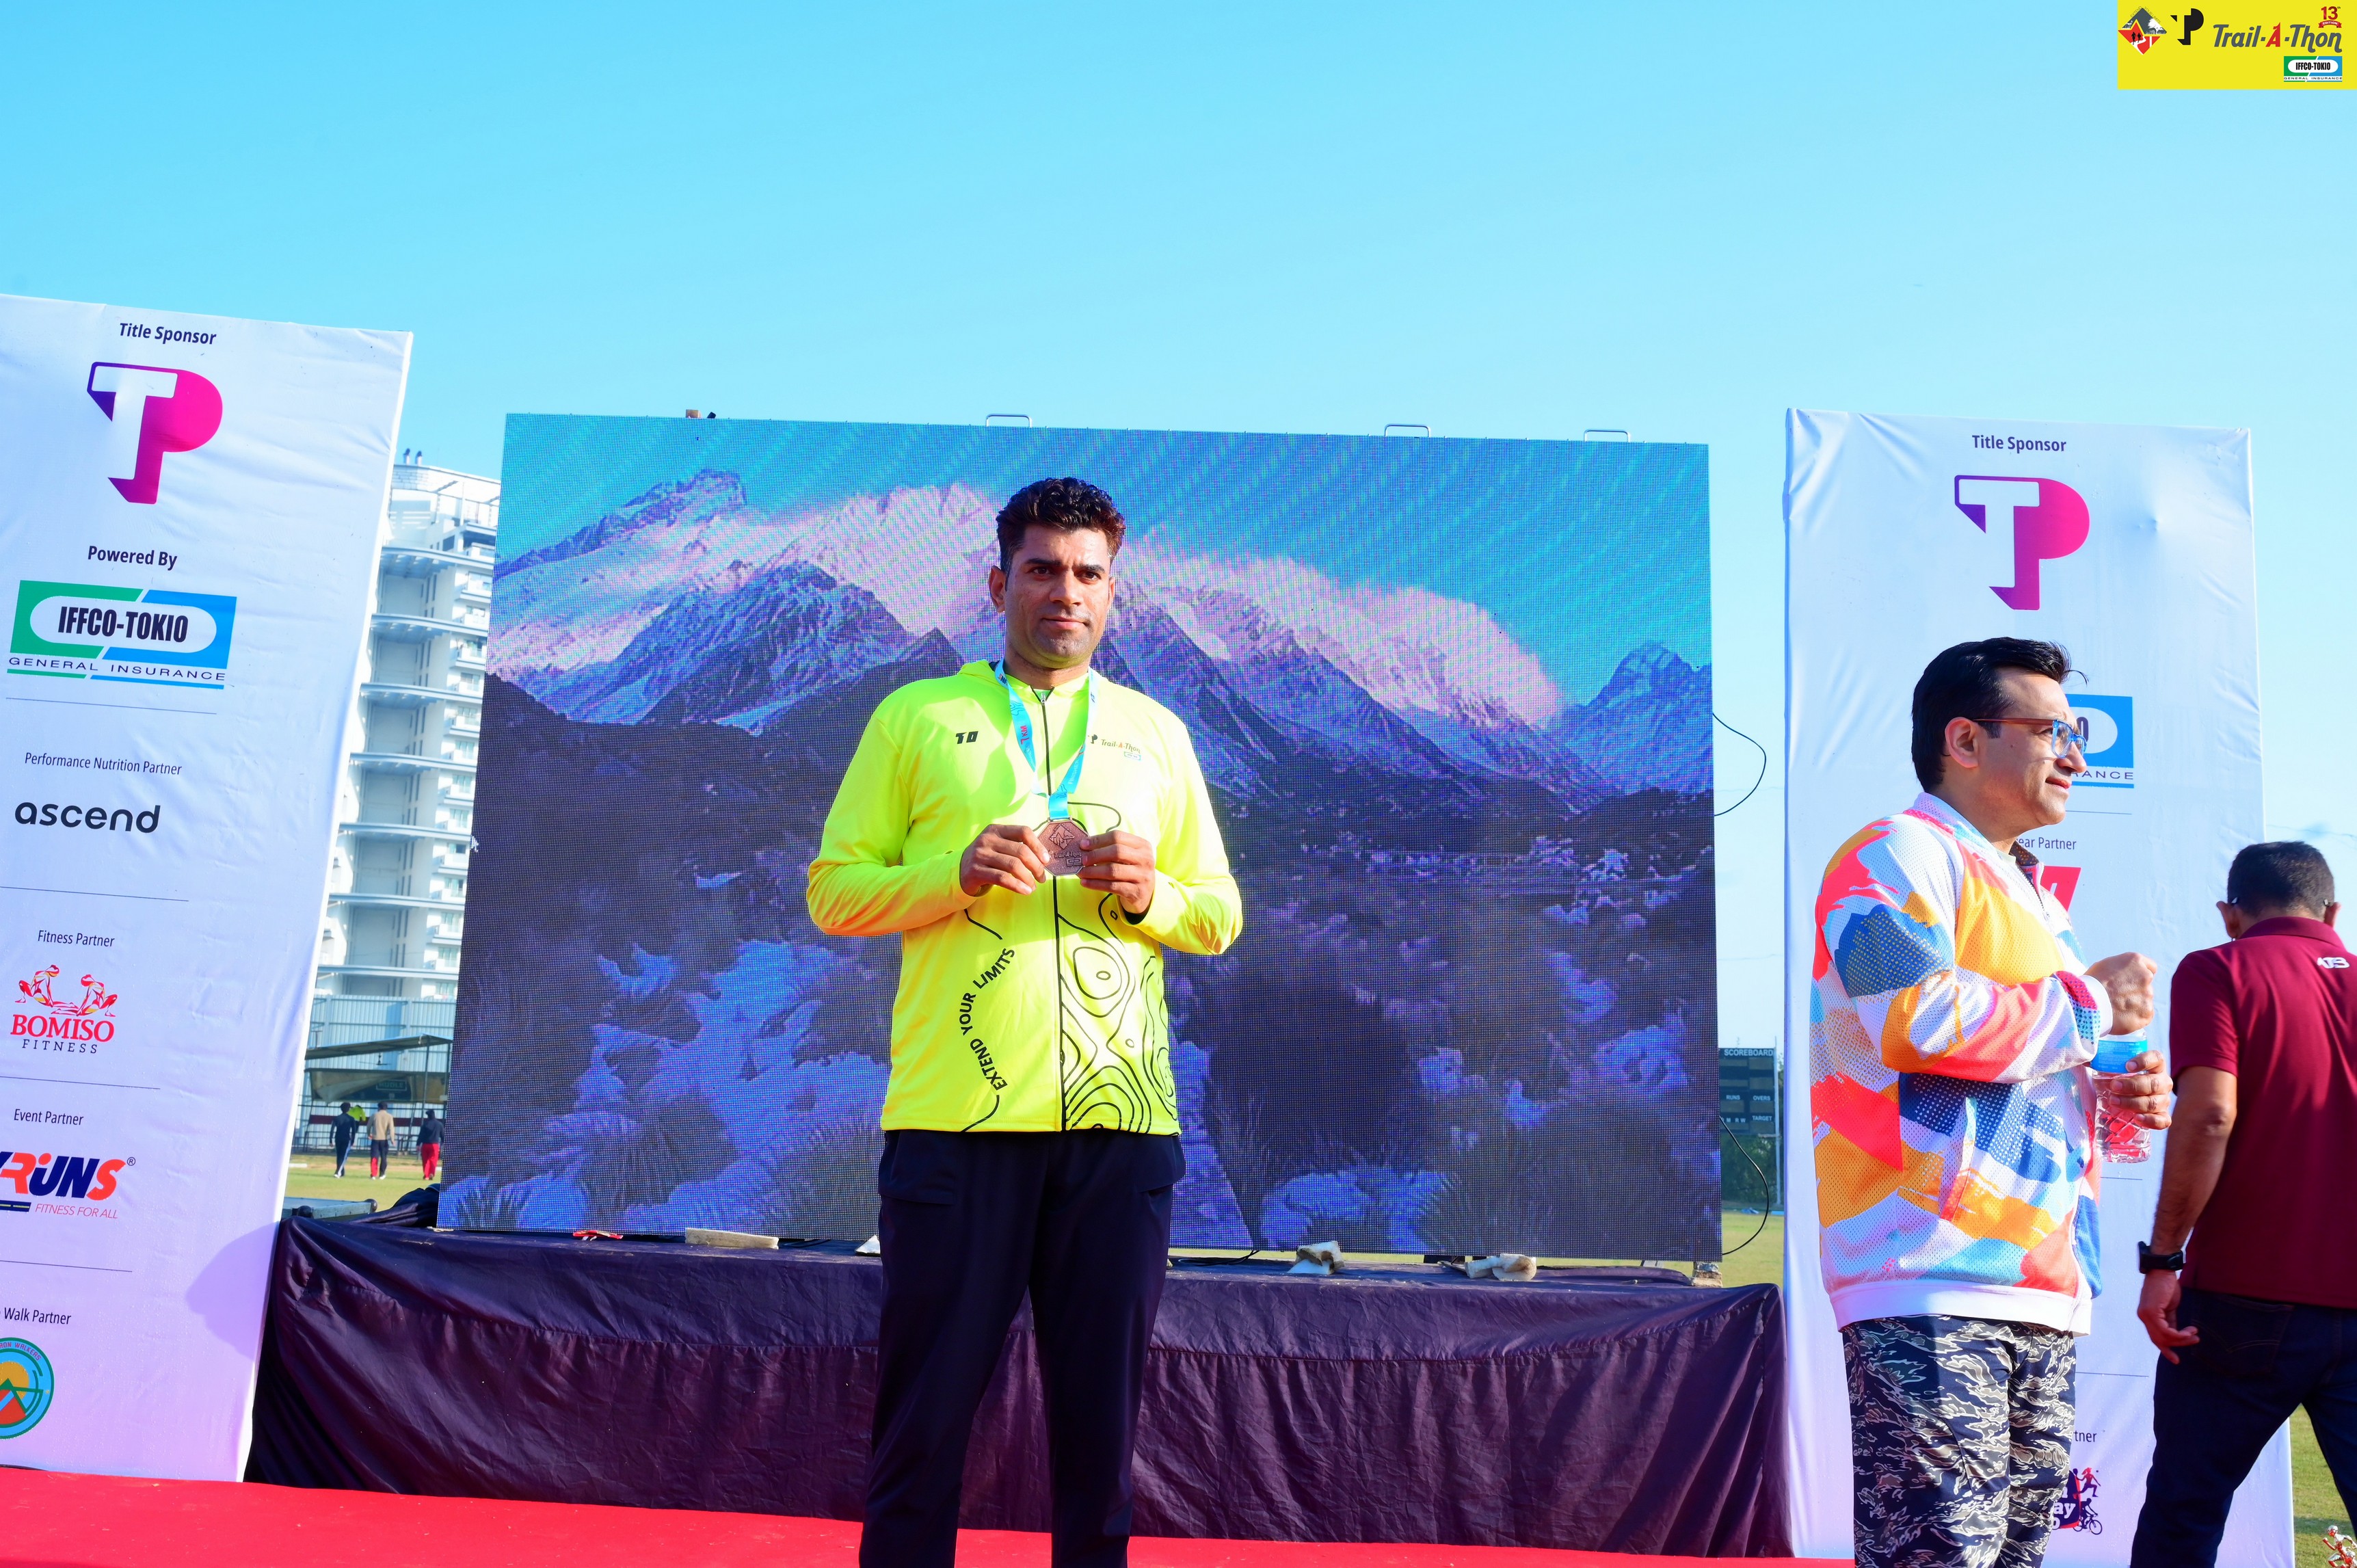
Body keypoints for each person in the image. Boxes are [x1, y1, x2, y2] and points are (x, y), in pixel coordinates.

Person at [808, 477, 1242, 1568]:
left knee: (1101, 1445)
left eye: (1088, 574)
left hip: (1119, 1129)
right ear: (999, 585)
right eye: (1042, 569)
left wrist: (1150, 895)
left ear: (1112, 593)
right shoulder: (913, 717)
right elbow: (832, 892)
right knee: (921, 1431)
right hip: (954, 1127)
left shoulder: (1156, 733)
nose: (1066, 592)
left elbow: (1219, 915)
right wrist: (949, 874)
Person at [1810, 637, 2172, 1568]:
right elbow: (1911, 1018)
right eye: (2052, 732)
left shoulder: (2033, 895)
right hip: (1927, 1268)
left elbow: (2030, 1061)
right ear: (1964, 741)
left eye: (2076, 736)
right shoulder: (1892, 852)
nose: (2074, 758)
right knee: (1938, 1554)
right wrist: (2090, 1005)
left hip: (2038, 1279)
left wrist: (2119, 1095)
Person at [2129, 841, 2357, 1566]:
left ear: (2230, 915)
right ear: (2333, 913)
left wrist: (2163, 1259)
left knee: (2184, 1515)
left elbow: (2207, 1116)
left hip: (2241, 1300)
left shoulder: (2219, 969)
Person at [330, 1101, 360, 1179]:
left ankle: (341, 1172)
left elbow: (332, 1130)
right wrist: (353, 1140)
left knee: (339, 1155)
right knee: (343, 1155)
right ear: (348, 1109)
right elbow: (354, 1131)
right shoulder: (351, 1119)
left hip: (338, 1138)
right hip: (346, 1138)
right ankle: (338, 1172)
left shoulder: (337, 1118)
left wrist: (330, 1140)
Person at [369, 1102, 395, 1180]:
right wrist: (392, 1139)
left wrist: (369, 1134)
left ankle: (374, 1174)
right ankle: (382, 1174)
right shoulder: (389, 1116)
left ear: (379, 1107)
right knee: (384, 1157)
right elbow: (391, 1129)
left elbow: (368, 1126)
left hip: (375, 1139)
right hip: (384, 1140)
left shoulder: (374, 1115)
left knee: (374, 1157)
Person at [416, 1108, 444, 1182]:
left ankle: (426, 1175)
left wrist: (418, 1144)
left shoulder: (425, 1124)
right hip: (435, 1145)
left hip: (425, 1145)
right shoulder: (439, 1124)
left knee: (425, 1160)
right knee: (433, 1160)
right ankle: (431, 1173)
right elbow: (443, 1136)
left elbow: (421, 1135)